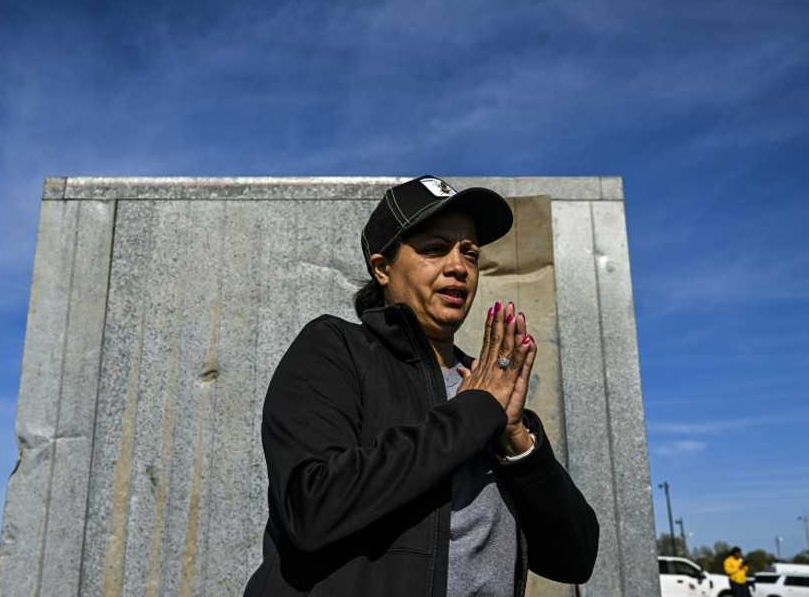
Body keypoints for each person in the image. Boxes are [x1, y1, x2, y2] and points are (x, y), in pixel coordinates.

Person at [244, 175, 599, 596]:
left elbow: (575, 557)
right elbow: (312, 507)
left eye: (470, 253)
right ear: (382, 267)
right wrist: (471, 413)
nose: (458, 267)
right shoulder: (336, 349)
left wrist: (519, 443)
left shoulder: (495, 397)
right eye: (434, 249)